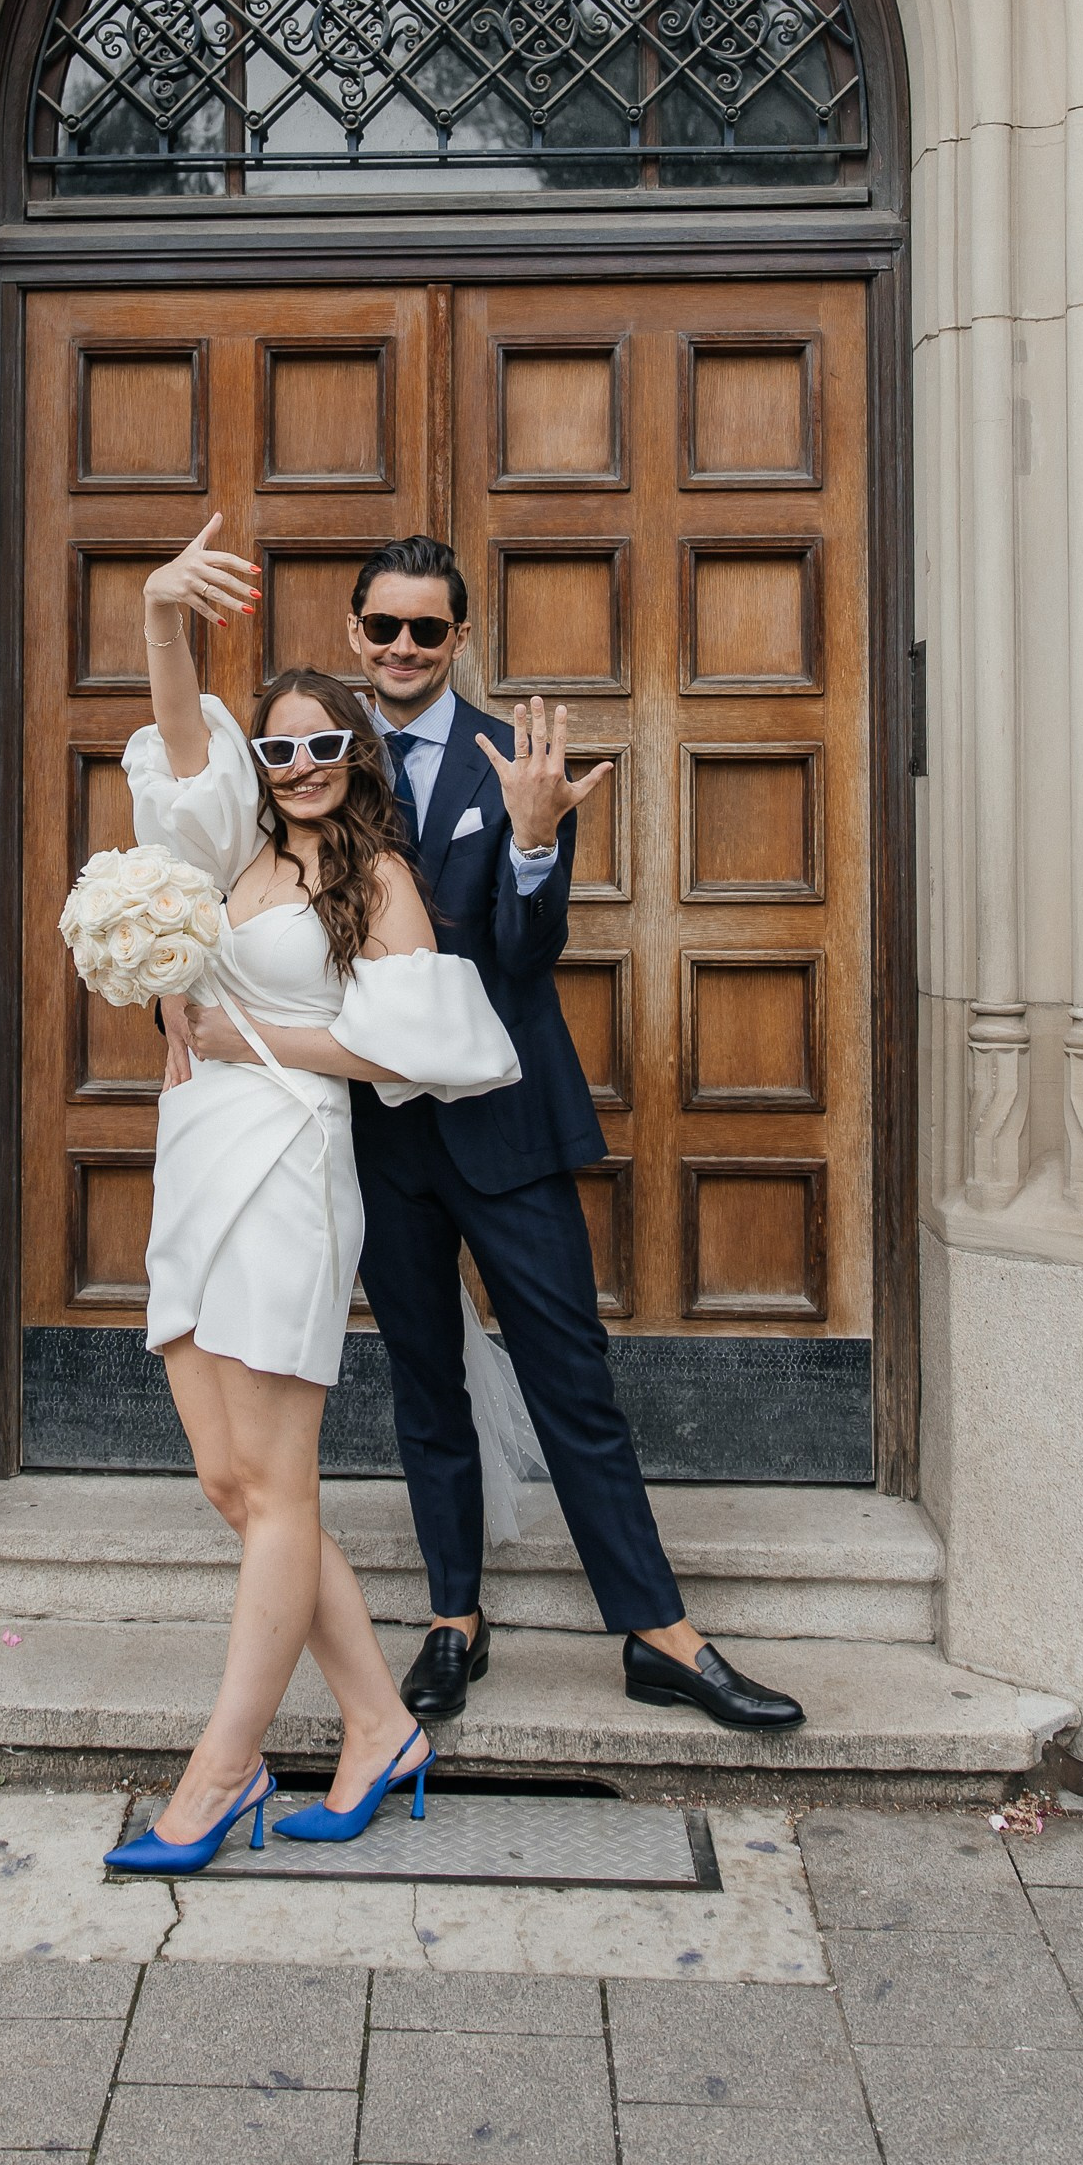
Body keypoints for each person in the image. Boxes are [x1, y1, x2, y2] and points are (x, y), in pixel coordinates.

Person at [101, 518, 523, 1876]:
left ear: (354, 752)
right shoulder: (225, 843)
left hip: (291, 1166)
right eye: (276, 749)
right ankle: (382, 1728)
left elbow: (428, 1048)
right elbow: (180, 741)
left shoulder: (376, 876)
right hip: (195, 1157)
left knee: (277, 1486)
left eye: (322, 744)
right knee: (232, 1482)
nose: (297, 766)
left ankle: (220, 1771)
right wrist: (161, 616)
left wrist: (248, 1037)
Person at [342, 532, 806, 1737]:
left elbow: (524, 950)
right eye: (383, 626)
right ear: (355, 634)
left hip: (504, 1123)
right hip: (372, 1132)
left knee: (571, 1378)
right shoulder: (314, 756)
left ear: (457, 638)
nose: (402, 647)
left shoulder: (513, 762)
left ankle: (657, 1632)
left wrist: (535, 839)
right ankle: (453, 1617)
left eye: (426, 629)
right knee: (424, 1381)